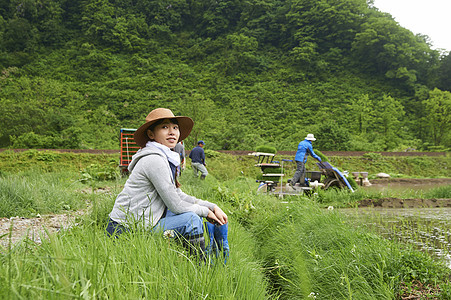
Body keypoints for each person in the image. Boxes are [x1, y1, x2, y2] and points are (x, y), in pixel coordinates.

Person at [106, 108, 228, 262]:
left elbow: (177, 194)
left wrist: (211, 206)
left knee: (189, 215)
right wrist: (205, 212)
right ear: (151, 134)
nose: (172, 132)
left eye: (175, 127)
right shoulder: (154, 160)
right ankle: (202, 267)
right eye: (164, 127)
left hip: (144, 219)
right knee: (191, 220)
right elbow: (176, 205)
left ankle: (185, 259)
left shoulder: (165, 157)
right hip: (125, 229)